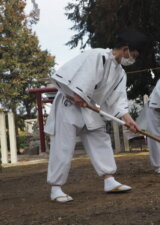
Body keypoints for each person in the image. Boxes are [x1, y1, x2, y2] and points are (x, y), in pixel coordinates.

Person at [44, 28, 148, 202]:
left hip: (89, 106)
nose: (133, 59)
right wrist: (77, 95)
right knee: (63, 145)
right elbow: (76, 79)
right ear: (125, 49)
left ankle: (109, 180)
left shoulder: (120, 74)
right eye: (134, 55)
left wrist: (129, 121)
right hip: (68, 104)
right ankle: (56, 188)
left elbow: (117, 101)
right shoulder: (97, 56)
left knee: (100, 137)